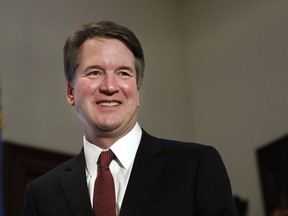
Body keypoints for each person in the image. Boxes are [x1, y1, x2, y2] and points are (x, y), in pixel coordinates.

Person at [22, 21, 238, 216]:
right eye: (95, 72)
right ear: (71, 92)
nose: (109, 86)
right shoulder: (41, 194)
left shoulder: (195, 165)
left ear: (137, 92)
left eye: (123, 73)